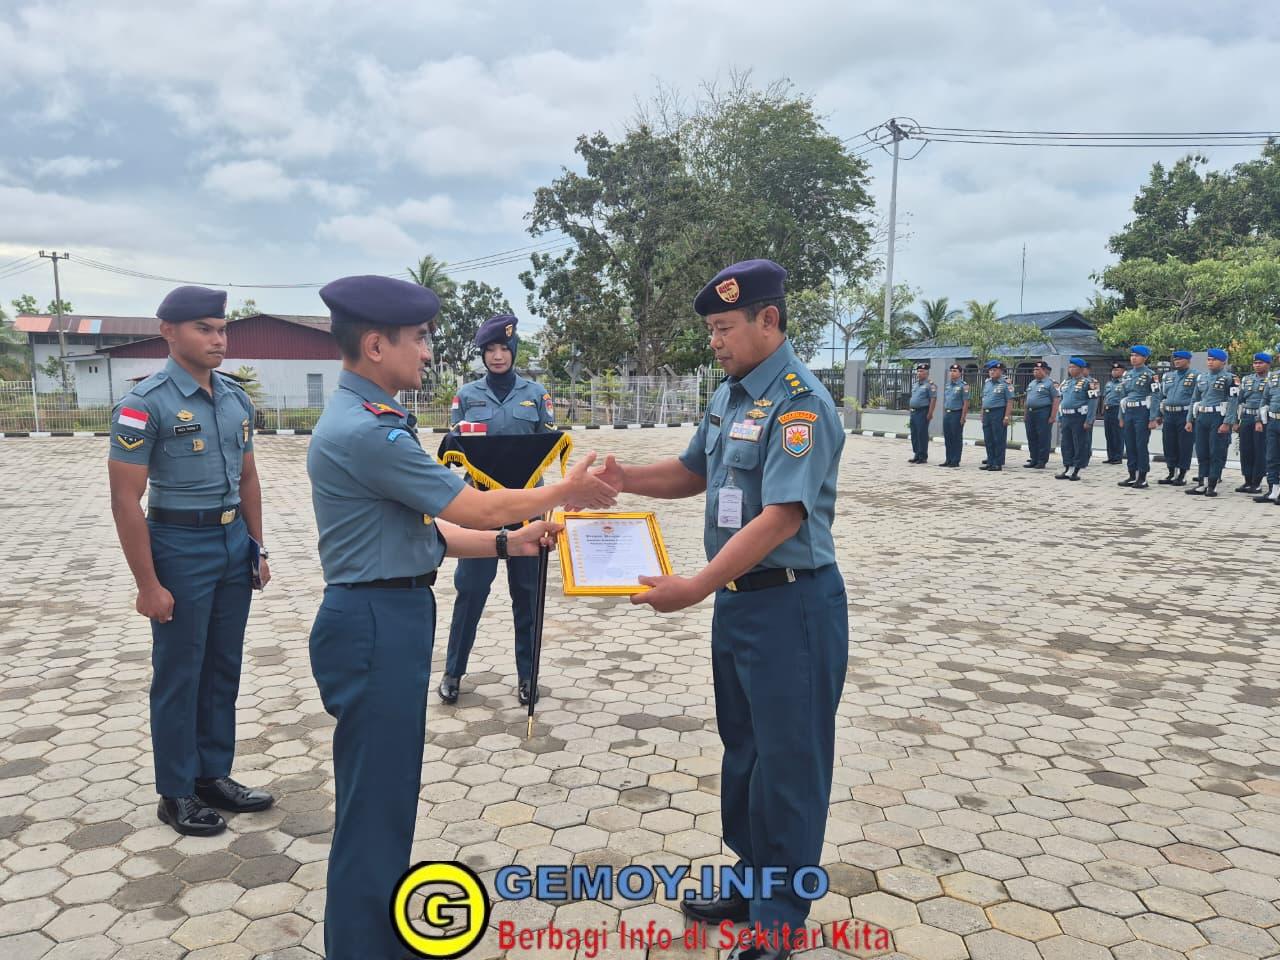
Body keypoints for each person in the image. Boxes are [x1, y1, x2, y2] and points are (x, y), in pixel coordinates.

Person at [305, 275, 616, 960]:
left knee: (387, 799)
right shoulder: (368, 431)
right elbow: (469, 506)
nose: (427, 352)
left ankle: (373, 938)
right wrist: (563, 491)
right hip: (376, 622)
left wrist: (512, 542)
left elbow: (430, 533)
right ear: (377, 345)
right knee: (374, 807)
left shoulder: (375, 420)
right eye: (418, 339)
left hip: (386, 614)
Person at [590, 260, 846, 960]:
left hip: (793, 606)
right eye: (710, 329)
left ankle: (779, 919)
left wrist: (696, 585)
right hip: (739, 606)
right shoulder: (733, 395)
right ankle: (751, 879)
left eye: (725, 327)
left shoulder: (799, 405)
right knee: (747, 752)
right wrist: (623, 478)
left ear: (770, 320)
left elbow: (782, 516)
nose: (715, 341)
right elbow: (694, 471)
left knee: (790, 762)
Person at [107, 285, 274, 837]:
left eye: (221, 329)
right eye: (204, 329)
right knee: (180, 672)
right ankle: (176, 791)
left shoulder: (235, 398)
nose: (218, 339)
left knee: (223, 666)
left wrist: (256, 546)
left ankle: (211, 775)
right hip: (178, 545)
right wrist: (147, 584)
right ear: (168, 332)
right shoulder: (144, 404)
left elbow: (248, 478)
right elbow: (125, 500)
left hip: (231, 543)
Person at [439, 315, 557, 707]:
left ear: (513, 351)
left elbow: (548, 444)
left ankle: (528, 676)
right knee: (470, 592)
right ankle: (453, 673)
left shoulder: (536, 395)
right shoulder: (467, 396)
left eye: (503, 348)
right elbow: (455, 444)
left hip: (526, 507)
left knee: (527, 594)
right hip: (480, 509)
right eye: (490, 349)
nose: (497, 356)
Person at [1184, 348, 1239, 498]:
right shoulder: (1202, 377)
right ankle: (1202, 483)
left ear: (1223, 362)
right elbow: (1194, 399)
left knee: (1216, 452)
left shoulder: (1230, 378)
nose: (1210, 362)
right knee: (1202, 451)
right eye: (1209, 359)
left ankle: (1212, 485)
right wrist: (1189, 419)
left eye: (1214, 359)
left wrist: (1227, 422)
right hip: (1202, 416)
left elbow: (1233, 402)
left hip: (1218, 417)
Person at [1117, 345, 1159, 489]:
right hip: (1128, 411)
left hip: (1142, 411)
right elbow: (1122, 396)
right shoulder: (1127, 375)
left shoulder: (1150, 375)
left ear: (1145, 358)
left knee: (1141, 445)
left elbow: (1156, 396)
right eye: (1132, 355)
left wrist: (1153, 418)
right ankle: (1132, 474)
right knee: (1129, 444)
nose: (1133, 358)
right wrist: (1121, 416)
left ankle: (1142, 477)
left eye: (1137, 355)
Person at [1155, 350, 1197, 486]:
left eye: (1180, 359)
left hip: (1185, 414)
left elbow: (1197, 397)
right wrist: (1158, 414)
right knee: (1169, 444)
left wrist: (1191, 418)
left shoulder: (1196, 375)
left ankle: (1182, 474)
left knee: (1184, 445)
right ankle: (1171, 472)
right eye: (1175, 359)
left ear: (1188, 361)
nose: (1177, 361)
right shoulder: (1168, 376)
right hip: (1169, 414)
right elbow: (1161, 396)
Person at [1054, 358, 1096, 481]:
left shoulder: (1089, 383)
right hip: (1066, 416)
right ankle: (1068, 467)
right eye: (1070, 367)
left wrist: (1089, 420)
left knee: (1079, 443)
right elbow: (1062, 400)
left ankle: (1076, 469)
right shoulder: (1066, 383)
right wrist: (1060, 417)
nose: (1071, 369)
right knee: (1066, 443)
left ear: (1081, 369)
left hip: (1079, 416)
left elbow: (1093, 403)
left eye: (1074, 367)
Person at [1235, 353, 1270, 493]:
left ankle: (1257, 482)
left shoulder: (1272, 379)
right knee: (1245, 449)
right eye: (1255, 363)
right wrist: (1236, 420)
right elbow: (1239, 400)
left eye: (1260, 363)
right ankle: (1247, 481)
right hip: (1246, 417)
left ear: (1268, 364)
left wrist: (1260, 419)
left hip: (1262, 418)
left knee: (1259, 450)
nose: (1257, 365)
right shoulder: (1247, 379)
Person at [1254, 344, 1280, 505]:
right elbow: (1265, 399)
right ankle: (1273, 490)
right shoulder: (1274, 376)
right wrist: (1259, 419)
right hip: (1273, 421)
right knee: (1272, 457)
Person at [1022, 360, 1060, 469]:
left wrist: (1053, 416)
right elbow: (1027, 399)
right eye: (1034, 370)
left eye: (1037, 370)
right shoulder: (1032, 383)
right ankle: (1033, 458)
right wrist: (1025, 414)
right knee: (1031, 436)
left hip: (1043, 412)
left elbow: (1056, 399)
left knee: (1043, 437)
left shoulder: (1051, 383)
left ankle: (1042, 460)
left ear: (1044, 370)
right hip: (1030, 412)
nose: (1035, 371)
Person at [979, 360, 1013, 471]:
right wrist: (982, 413)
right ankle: (990, 461)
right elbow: (984, 399)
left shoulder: (1005, 383)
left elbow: (1009, 401)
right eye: (990, 370)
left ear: (1000, 371)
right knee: (988, 439)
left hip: (998, 413)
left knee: (998, 439)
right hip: (987, 413)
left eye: (994, 370)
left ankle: (997, 463)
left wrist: (1006, 416)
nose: (992, 372)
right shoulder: (987, 383)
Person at [939, 363, 969, 467]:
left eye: (955, 371)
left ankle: (955, 460)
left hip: (957, 413)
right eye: (951, 371)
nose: (952, 373)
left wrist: (963, 417)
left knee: (956, 438)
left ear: (960, 373)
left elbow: (966, 403)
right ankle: (948, 459)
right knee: (948, 438)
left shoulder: (963, 386)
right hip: (948, 413)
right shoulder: (948, 385)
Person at [907, 362, 936, 464]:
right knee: (914, 434)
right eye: (918, 371)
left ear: (926, 373)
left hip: (923, 412)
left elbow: (933, 399)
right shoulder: (915, 384)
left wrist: (930, 413)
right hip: (914, 412)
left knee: (921, 434)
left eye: (921, 371)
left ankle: (923, 456)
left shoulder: (930, 385)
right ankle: (916, 454)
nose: (919, 373)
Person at [1102, 361, 1127, 464]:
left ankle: (1118, 457)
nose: (1114, 372)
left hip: (1118, 409)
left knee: (1118, 434)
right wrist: (1103, 409)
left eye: (1117, 370)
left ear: (1123, 371)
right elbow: (1105, 396)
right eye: (1113, 370)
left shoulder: (1125, 383)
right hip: (1108, 410)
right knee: (1109, 434)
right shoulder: (1109, 383)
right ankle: (1111, 456)